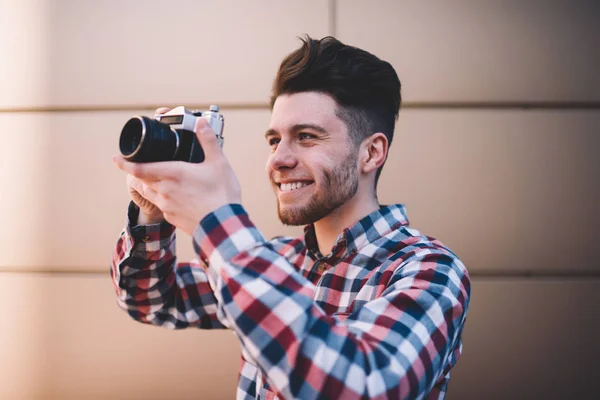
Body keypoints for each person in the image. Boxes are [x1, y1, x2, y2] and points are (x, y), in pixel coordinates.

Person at [111, 35, 471, 400]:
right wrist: (151, 212)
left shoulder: (430, 271)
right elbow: (150, 299)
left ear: (372, 153)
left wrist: (217, 220)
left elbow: (364, 387)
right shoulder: (278, 260)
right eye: (274, 140)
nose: (278, 159)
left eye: (306, 136)